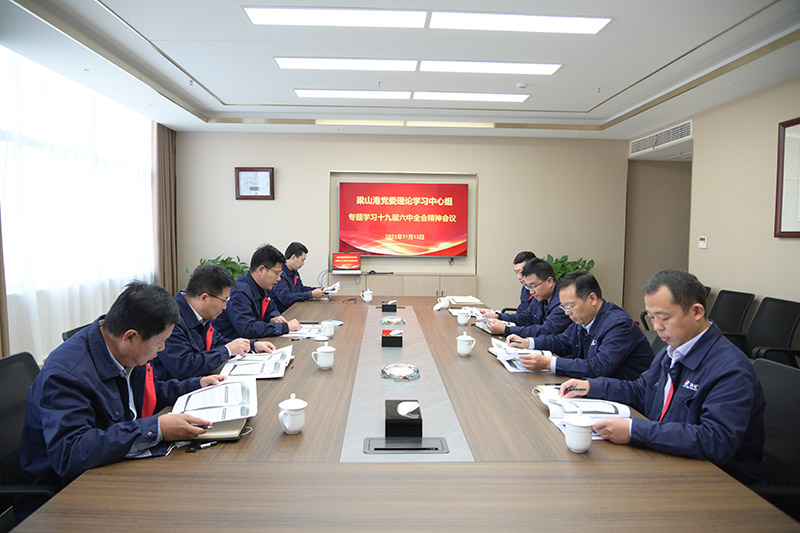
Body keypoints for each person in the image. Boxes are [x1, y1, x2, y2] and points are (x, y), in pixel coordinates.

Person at [17, 282, 225, 519]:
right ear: (130, 337)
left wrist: (195, 384)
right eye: (159, 342)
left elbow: (150, 390)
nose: (162, 348)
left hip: (113, 467)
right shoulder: (66, 374)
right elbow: (71, 452)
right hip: (64, 497)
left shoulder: (120, 349)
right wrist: (156, 428)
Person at [559, 270, 765, 485]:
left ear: (696, 311)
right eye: (651, 317)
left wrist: (634, 430)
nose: (657, 326)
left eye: (664, 317)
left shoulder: (730, 369)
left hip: (716, 483)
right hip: (666, 459)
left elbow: (715, 440)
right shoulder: (672, 352)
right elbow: (641, 390)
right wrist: (592, 386)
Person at [507, 270, 652, 380]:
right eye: (563, 307)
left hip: (626, 403)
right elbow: (562, 341)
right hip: (594, 387)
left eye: (570, 306)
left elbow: (599, 367)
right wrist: (528, 343)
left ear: (592, 299)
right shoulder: (583, 318)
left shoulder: (618, 325)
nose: (566, 313)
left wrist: (548, 363)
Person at [151, 263, 275, 380]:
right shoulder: (171, 320)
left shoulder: (202, 314)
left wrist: (251, 345)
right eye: (224, 301)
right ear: (204, 298)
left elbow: (217, 342)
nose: (225, 307)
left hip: (202, 380)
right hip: (177, 395)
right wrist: (227, 350)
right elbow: (185, 367)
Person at [214, 244, 301, 339]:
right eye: (277, 273)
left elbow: (271, 309)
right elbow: (247, 329)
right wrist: (284, 327)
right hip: (235, 348)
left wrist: (274, 318)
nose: (279, 278)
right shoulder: (239, 292)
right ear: (261, 270)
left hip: (254, 343)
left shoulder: (263, 286)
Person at [487, 258, 571, 337]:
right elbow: (525, 317)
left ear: (549, 281)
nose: (531, 292)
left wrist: (506, 329)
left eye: (533, 286)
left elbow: (546, 330)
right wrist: (498, 316)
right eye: (528, 287)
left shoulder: (564, 300)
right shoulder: (541, 296)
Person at [479, 251, 543, 330]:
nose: (519, 277)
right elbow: (522, 316)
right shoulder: (525, 289)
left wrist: (506, 330)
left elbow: (540, 328)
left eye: (521, 272)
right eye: (516, 272)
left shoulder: (543, 293)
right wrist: (497, 316)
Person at [272, 241, 328, 313]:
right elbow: (285, 298)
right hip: (283, 314)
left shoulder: (295, 272)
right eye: (302, 260)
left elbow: (301, 289)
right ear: (294, 257)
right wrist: (310, 294)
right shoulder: (280, 273)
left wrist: (320, 289)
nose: (303, 263)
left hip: (294, 310)